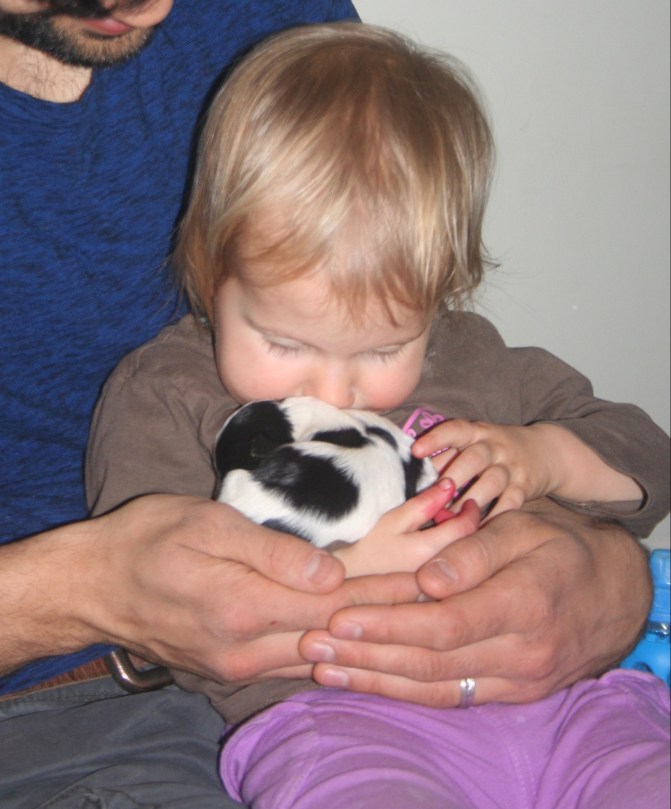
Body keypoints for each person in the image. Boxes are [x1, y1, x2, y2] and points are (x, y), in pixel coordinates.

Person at [0, 2, 665, 807]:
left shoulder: (472, 356)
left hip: (571, 705)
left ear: (438, 298)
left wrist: (549, 465)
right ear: (210, 276)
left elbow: (643, 462)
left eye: (384, 350)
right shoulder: (167, 394)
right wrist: (353, 575)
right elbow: (178, 603)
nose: (331, 389)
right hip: (331, 722)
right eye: (285, 342)